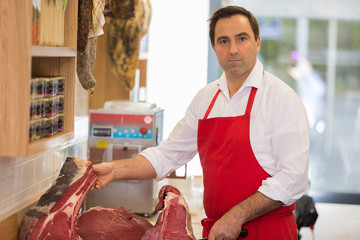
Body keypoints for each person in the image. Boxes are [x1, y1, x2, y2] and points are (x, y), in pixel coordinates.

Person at [92, 5, 309, 240]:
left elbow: (294, 178)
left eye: (242, 38)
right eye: (223, 41)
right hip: (217, 232)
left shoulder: (281, 98)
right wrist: (115, 169)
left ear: (257, 42)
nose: (233, 49)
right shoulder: (206, 99)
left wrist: (236, 216)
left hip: (268, 232)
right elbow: (167, 155)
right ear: (214, 47)